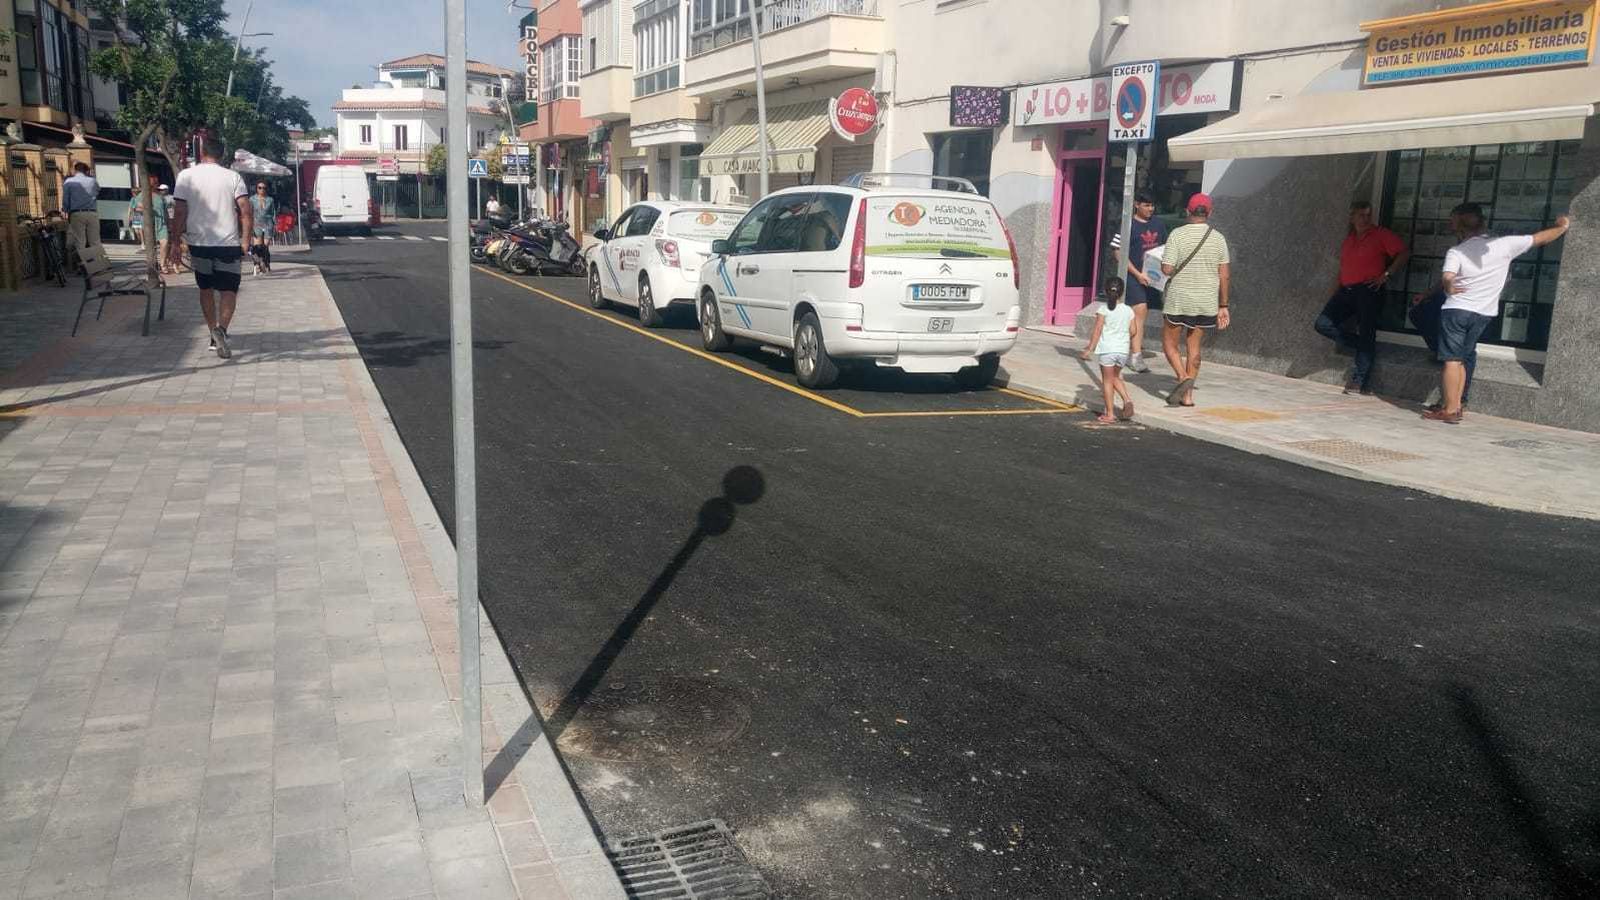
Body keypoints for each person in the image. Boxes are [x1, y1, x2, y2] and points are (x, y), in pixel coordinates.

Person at [1422, 202, 1570, 424]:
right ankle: (1457, 405)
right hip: (1483, 313)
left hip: (1456, 310)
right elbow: (1540, 238)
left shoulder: (1457, 251)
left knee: (1451, 360)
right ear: (1483, 224)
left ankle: (1450, 409)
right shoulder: (1505, 245)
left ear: (1460, 229)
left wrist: (1449, 285)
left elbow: (1448, 277)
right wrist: (1562, 226)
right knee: (1462, 358)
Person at [169, 137, 251, 360]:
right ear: (222, 155)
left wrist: (175, 242)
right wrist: (246, 241)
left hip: (199, 244)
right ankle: (221, 330)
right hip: (227, 244)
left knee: (205, 289)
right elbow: (245, 210)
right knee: (228, 290)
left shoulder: (186, 176)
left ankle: (212, 332)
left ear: (202, 152)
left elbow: (179, 211)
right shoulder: (233, 177)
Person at [1314, 201, 1408, 395]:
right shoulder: (1349, 240)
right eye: (1361, 215)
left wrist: (1386, 275)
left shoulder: (1380, 234)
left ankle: (1358, 380)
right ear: (1352, 217)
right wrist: (1332, 294)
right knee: (1322, 324)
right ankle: (1363, 345)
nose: (1365, 219)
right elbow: (1343, 269)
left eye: (1368, 215)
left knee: (1366, 331)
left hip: (1368, 290)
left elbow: (1404, 252)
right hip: (1346, 290)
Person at [1159, 193, 1231, 407]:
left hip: (1179, 299)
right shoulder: (1218, 238)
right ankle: (1188, 397)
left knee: (1169, 344)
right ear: (1210, 213)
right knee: (1194, 348)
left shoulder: (1177, 235)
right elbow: (1224, 275)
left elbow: (1167, 268)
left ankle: (1183, 378)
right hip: (1206, 301)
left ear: (1187, 211)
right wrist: (1224, 305)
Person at [1080, 276, 1136, 423]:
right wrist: (1122, 336)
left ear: (1105, 291)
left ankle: (1110, 414)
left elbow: (1097, 331)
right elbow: (1134, 331)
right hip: (1123, 351)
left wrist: (1089, 349)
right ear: (1122, 292)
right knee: (1116, 377)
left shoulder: (1103, 310)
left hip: (1107, 350)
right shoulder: (1128, 310)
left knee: (1107, 381)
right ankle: (1127, 400)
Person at [1124, 192, 1166, 373]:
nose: (1150, 209)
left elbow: (1166, 248)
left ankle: (1129, 348)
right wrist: (1137, 274)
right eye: (1146, 205)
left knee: (1142, 314)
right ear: (1136, 205)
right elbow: (1119, 253)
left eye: (1152, 205)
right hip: (1133, 277)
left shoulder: (1158, 224)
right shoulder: (1127, 225)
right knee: (1140, 310)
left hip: (1154, 278)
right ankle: (1136, 356)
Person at [63, 161, 100, 254]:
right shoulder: (92, 181)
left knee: (80, 241)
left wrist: (65, 210)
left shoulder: (68, 182)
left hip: (77, 213)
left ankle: (84, 265)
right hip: (92, 213)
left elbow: (66, 199)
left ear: (75, 170)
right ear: (86, 171)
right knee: (95, 241)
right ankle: (98, 265)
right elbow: (97, 191)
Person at [248, 182, 276, 274]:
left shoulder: (270, 200)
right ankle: (257, 265)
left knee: (265, 246)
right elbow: (249, 213)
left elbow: (273, 213)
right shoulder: (252, 199)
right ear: (256, 188)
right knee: (257, 248)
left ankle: (266, 263)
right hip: (256, 224)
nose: (262, 189)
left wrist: (274, 224)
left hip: (268, 224)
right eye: (259, 187)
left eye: (264, 188)